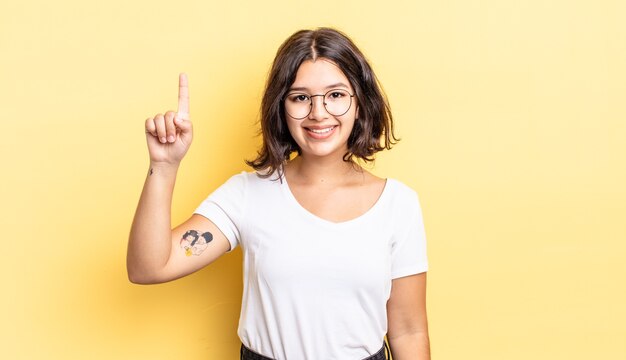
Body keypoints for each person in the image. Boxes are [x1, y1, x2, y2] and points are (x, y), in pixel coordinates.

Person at [127, 27, 430, 360]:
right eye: (300, 97)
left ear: (360, 103)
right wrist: (164, 165)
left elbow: (409, 330)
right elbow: (149, 267)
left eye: (336, 95)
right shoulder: (247, 195)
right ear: (281, 108)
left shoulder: (398, 205)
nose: (318, 112)